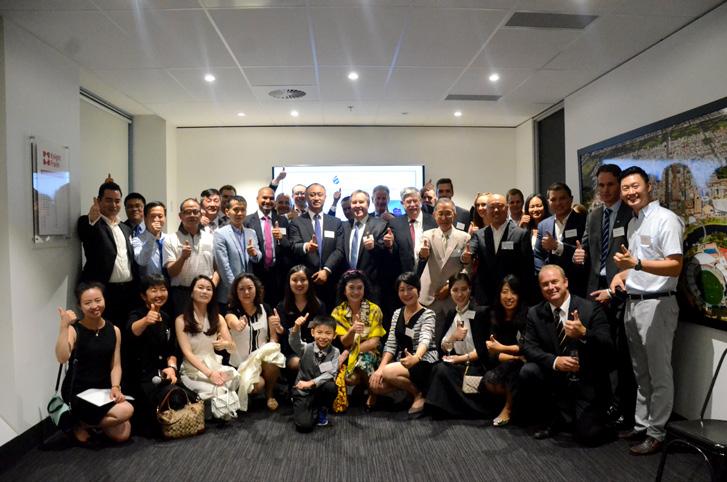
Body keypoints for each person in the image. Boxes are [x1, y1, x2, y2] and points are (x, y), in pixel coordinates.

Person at [609, 166, 684, 456]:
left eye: (635, 186)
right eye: (625, 188)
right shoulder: (634, 222)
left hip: (658, 304)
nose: (630, 192)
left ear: (648, 186)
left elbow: (674, 265)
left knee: (659, 373)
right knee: (641, 372)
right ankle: (642, 425)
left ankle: (657, 432)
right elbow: (637, 266)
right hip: (634, 302)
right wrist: (621, 276)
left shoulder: (665, 219)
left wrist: (636, 265)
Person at [520, 265, 613, 446]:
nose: (551, 287)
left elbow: (608, 346)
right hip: (556, 381)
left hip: (586, 380)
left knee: (588, 436)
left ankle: (576, 417)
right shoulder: (534, 313)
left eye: (554, 282)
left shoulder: (590, 308)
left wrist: (584, 333)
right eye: (545, 284)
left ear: (566, 282)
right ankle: (554, 417)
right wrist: (555, 361)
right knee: (528, 371)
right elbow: (528, 347)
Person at [573, 163, 635, 428]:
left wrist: (614, 288)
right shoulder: (595, 214)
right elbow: (587, 246)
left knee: (619, 352)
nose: (606, 190)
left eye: (611, 184)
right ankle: (600, 401)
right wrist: (579, 253)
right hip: (594, 289)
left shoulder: (631, 214)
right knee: (595, 346)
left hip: (620, 290)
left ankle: (621, 407)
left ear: (619, 185)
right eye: (601, 185)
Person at [55, 282, 133, 444]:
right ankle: (80, 422)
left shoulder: (114, 330)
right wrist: (64, 326)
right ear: (80, 306)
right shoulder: (75, 330)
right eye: (88, 303)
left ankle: (84, 424)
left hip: (103, 390)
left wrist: (115, 387)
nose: (94, 306)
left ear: (104, 299)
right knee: (127, 410)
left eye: (98, 300)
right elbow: (62, 357)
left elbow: (115, 365)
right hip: (78, 391)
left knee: (123, 434)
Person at [126, 274, 190, 435]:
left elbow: (172, 350)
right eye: (153, 290)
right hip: (143, 378)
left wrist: (172, 368)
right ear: (143, 295)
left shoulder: (166, 317)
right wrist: (145, 321)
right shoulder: (137, 314)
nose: (159, 294)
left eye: (163, 289)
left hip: (163, 374)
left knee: (187, 396)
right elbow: (132, 330)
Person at [369, 272, 438, 416]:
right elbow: (391, 343)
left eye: (410, 288)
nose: (406, 293)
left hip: (423, 360)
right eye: (402, 290)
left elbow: (425, 338)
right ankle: (410, 390)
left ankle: (418, 394)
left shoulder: (428, 314)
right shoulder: (397, 313)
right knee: (376, 385)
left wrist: (416, 357)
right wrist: (380, 369)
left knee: (388, 372)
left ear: (418, 290)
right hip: (403, 360)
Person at [175, 275, 240, 420]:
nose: (205, 291)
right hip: (193, 370)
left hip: (214, 365)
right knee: (219, 390)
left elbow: (232, 347)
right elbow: (187, 353)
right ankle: (214, 407)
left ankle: (218, 406)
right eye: (200, 288)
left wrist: (226, 344)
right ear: (192, 292)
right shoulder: (181, 320)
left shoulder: (218, 318)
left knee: (235, 376)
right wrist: (210, 374)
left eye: (209, 289)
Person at [426, 273, 489, 419]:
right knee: (436, 367)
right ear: (450, 292)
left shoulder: (480, 312)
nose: (460, 294)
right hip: (457, 361)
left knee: (441, 369)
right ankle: (440, 408)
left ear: (470, 289)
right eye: (455, 290)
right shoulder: (451, 313)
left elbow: (484, 350)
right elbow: (443, 347)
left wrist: (459, 359)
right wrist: (453, 337)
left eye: (464, 289)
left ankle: (451, 409)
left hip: (475, 363)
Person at [78, 181, 139, 327]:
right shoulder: (90, 222)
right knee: (105, 331)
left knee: (126, 331)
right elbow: (86, 233)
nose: (113, 205)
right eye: (108, 200)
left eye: (117, 201)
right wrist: (92, 219)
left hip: (128, 290)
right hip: (104, 291)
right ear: (99, 201)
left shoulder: (125, 228)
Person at [224, 274, 284, 411]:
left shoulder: (266, 308)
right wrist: (238, 325)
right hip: (241, 363)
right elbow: (232, 322)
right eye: (241, 289)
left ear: (256, 289)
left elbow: (273, 338)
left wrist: (278, 329)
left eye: (250, 288)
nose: (246, 292)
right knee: (257, 386)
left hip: (261, 359)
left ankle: (270, 395)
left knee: (274, 360)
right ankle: (244, 390)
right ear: (236, 292)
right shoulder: (231, 311)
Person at [331, 270, 386, 408]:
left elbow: (374, 342)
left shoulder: (374, 309)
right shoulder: (338, 311)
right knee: (349, 378)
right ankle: (362, 384)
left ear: (364, 289)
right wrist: (352, 330)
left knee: (363, 361)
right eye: (351, 287)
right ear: (344, 290)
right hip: (349, 352)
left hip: (371, 352)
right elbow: (344, 342)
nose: (356, 292)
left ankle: (373, 392)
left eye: (359, 288)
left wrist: (349, 352)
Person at [470, 193, 534, 306]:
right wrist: (465, 257)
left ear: (507, 208)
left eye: (500, 206)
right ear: (487, 210)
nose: (496, 210)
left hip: (511, 295)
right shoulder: (479, 235)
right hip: (485, 296)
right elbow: (470, 253)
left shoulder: (520, 234)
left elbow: (527, 269)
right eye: (492, 207)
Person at [288, 183, 345, 309]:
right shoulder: (296, 222)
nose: (316, 198)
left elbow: (339, 250)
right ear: (306, 198)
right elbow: (293, 246)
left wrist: (326, 270)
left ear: (325, 197)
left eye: (319, 195)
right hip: (305, 282)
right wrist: (306, 246)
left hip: (331, 279)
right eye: (312, 195)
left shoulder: (336, 222)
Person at [481, 275, 528, 427]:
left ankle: (508, 409)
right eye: (505, 292)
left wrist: (502, 349)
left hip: (524, 363)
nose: (509, 297)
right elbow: (491, 350)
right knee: (490, 379)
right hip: (505, 361)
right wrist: (512, 356)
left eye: (513, 292)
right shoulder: (494, 314)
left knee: (514, 370)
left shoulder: (528, 315)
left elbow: (526, 347)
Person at [418, 198, 471, 326]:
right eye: (440, 213)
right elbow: (421, 251)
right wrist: (422, 253)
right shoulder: (428, 235)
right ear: (434, 215)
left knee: (453, 332)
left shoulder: (464, 237)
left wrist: (450, 285)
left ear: (454, 215)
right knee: (429, 332)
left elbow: (467, 268)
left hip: (454, 296)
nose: (444, 217)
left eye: (448, 213)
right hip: (430, 295)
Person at [164, 198, 218, 317]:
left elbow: (217, 268)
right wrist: (182, 257)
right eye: (187, 212)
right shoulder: (170, 239)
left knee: (208, 325)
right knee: (183, 326)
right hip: (182, 293)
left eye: (195, 212)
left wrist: (212, 286)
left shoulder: (211, 238)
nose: (192, 215)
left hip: (206, 292)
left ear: (201, 214)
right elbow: (171, 272)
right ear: (180, 216)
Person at [534, 182, 588, 297]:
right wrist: (545, 275)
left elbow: (585, 253)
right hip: (550, 289)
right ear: (548, 202)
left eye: (562, 198)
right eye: (553, 199)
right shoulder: (543, 225)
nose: (558, 203)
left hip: (577, 285)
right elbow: (538, 255)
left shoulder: (584, 221)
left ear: (571, 199)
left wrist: (556, 246)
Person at [289, 315, 340, 432]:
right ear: (313, 332)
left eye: (328, 333)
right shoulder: (306, 348)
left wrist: (311, 382)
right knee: (304, 426)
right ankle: (305, 406)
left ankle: (322, 408)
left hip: (320, 389)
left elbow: (331, 373)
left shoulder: (335, 351)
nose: (323, 337)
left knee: (331, 386)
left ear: (334, 335)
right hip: (303, 391)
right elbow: (294, 342)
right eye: (319, 332)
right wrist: (296, 327)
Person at [342, 190, 393, 305]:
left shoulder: (380, 225)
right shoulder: (344, 226)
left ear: (368, 204)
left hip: (371, 287)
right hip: (346, 287)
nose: (357, 205)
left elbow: (386, 256)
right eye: (354, 202)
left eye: (361, 202)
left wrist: (374, 247)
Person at [245, 186, 292, 308]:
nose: (268, 201)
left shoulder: (282, 220)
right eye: (264, 198)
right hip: (256, 272)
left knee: (277, 308)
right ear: (257, 199)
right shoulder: (248, 221)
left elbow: (289, 246)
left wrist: (281, 238)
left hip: (278, 274)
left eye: (271, 198)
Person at [213, 195, 262, 309]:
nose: (239, 213)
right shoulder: (220, 234)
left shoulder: (251, 232)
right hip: (229, 293)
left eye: (243, 210)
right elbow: (223, 266)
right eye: (236, 210)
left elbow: (258, 255)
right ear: (227, 212)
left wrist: (254, 254)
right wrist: (236, 290)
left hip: (248, 293)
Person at [276, 265, 327, 371]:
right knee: (299, 363)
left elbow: (324, 332)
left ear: (309, 282)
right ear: (289, 282)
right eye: (294, 280)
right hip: (292, 352)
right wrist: (282, 330)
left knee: (328, 364)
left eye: (303, 280)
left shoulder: (319, 305)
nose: (299, 284)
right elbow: (284, 338)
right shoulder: (282, 307)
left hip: (315, 350)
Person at [389, 187, 437, 280]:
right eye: (408, 202)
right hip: (404, 277)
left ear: (421, 201)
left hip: (429, 275)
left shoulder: (433, 221)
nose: (412, 204)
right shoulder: (394, 224)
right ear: (402, 203)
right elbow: (394, 252)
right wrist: (390, 245)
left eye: (415, 201)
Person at [132, 201, 168, 278]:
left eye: (160, 216)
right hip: (149, 283)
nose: (156, 219)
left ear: (165, 218)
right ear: (145, 219)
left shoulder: (169, 238)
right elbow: (142, 261)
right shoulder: (137, 240)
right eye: (152, 216)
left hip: (169, 283)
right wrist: (153, 235)